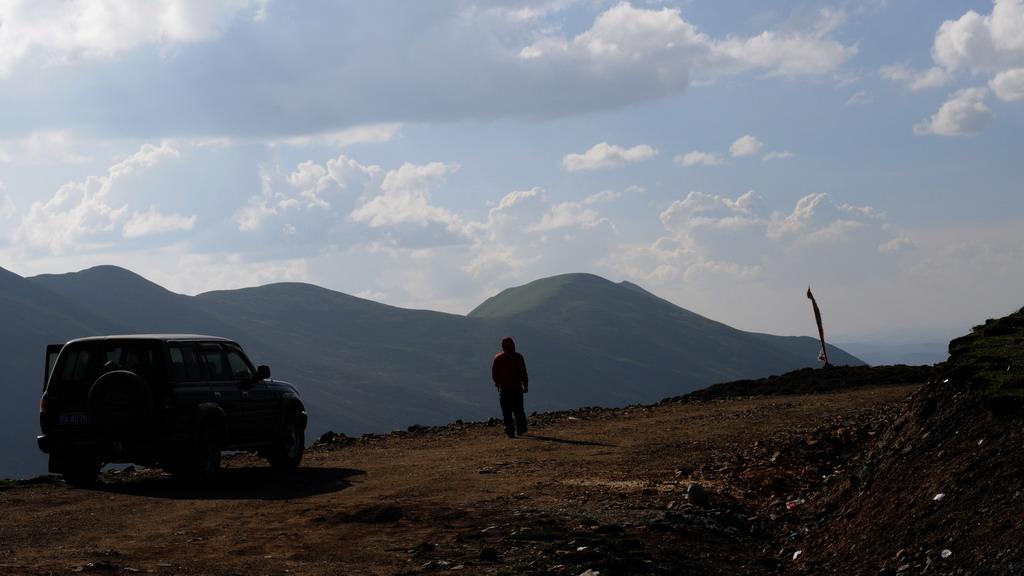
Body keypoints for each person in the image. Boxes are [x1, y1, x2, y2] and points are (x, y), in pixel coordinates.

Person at [491, 336, 529, 438]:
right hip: (516, 388)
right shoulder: (518, 357)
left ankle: (509, 431)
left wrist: (498, 383)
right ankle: (521, 428)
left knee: (506, 411)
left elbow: (494, 374)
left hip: (504, 389)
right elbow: (523, 373)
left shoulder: (498, 357)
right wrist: (525, 385)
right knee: (518, 409)